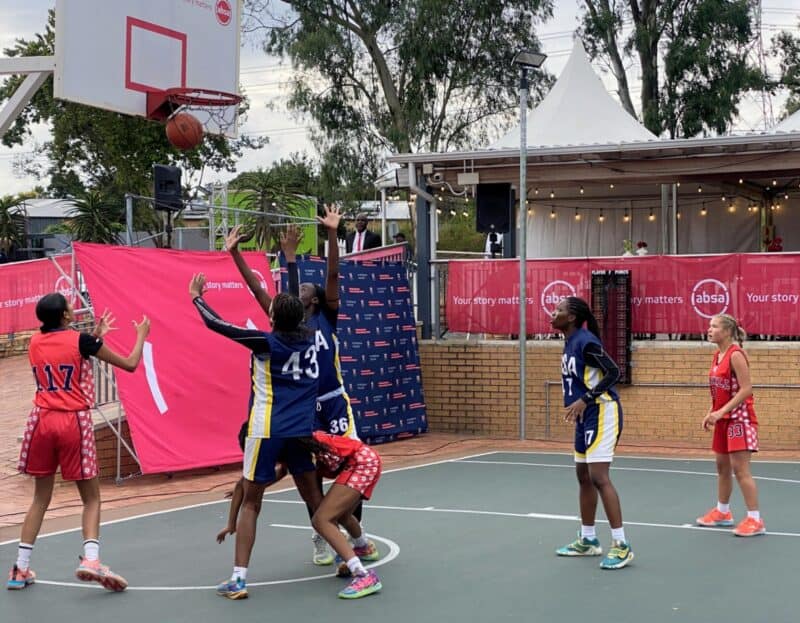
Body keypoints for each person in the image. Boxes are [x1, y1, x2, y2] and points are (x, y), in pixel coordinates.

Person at [189, 273, 323, 600]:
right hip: (301, 431)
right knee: (313, 497)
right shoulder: (311, 338)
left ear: (274, 317)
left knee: (252, 503)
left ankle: (238, 579)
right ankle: (354, 549)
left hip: (266, 429)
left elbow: (216, 324)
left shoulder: (266, 342)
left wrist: (196, 297)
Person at [7, 296, 150, 591]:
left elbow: (63, 357)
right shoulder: (82, 341)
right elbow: (131, 364)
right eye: (69, 307)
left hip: (41, 420)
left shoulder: (35, 342)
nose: (74, 309)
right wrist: (141, 336)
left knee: (40, 498)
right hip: (72, 421)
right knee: (92, 498)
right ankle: (92, 560)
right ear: (63, 315)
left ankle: (20, 569)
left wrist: (95, 338)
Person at [218, 428, 383, 600]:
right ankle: (363, 547)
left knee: (321, 519)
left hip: (362, 463)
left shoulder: (302, 445)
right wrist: (231, 522)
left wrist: (245, 498)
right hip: (363, 461)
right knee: (336, 515)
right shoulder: (291, 446)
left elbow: (245, 487)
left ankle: (363, 575)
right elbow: (250, 483)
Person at [550, 297, 634, 570]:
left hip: (602, 410)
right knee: (583, 476)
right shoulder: (570, 341)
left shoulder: (586, 341)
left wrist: (585, 399)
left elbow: (614, 371)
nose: (554, 312)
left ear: (572, 317)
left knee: (599, 477)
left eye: (559, 310)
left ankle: (621, 545)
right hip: (584, 416)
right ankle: (588, 539)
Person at [696, 314, 765, 537]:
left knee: (740, 469)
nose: (709, 329)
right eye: (709, 326)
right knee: (722, 467)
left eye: (714, 326)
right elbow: (719, 390)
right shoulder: (717, 355)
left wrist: (721, 412)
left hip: (740, 420)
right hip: (724, 419)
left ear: (726, 332)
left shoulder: (736, 355)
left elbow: (746, 389)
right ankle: (723, 512)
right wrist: (711, 412)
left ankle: (755, 519)